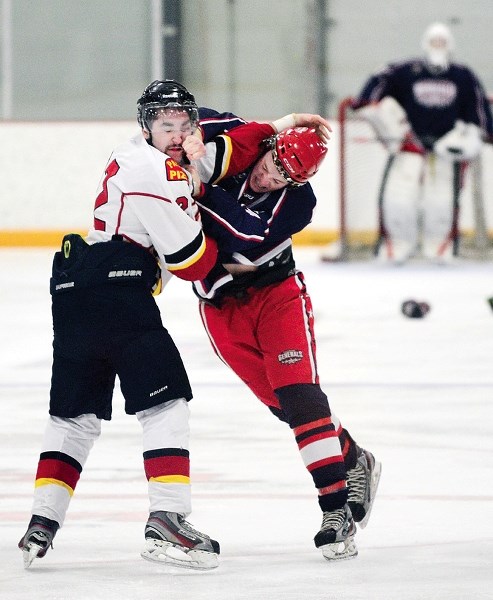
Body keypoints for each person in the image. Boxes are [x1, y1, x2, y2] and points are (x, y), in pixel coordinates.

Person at [18, 80, 223, 571]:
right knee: (166, 403)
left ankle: (42, 523)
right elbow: (192, 260)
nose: (175, 135)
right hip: (117, 293)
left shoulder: (133, 156)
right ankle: (168, 519)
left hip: (75, 289)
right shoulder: (156, 172)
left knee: (74, 416)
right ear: (147, 127)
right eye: (165, 126)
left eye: (183, 126)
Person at [183, 119, 382, 561]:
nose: (269, 177)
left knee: (300, 399)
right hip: (220, 311)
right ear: (270, 146)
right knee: (283, 409)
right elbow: (181, 117)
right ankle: (352, 457)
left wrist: (199, 186)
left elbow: (246, 231)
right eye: (272, 164)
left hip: (277, 297)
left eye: (284, 177)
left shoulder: (299, 203)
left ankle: (336, 513)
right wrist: (284, 120)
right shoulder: (247, 140)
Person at [352, 22, 493, 264]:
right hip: (410, 146)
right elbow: (378, 81)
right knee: (398, 199)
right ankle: (397, 245)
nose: (438, 46)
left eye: (442, 41)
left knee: (441, 203)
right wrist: (367, 102)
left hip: (445, 149)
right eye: (434, 41)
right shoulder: (406, 70)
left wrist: (480, 132)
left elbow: (477, 108)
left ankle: (438, 246)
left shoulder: (463, 75)